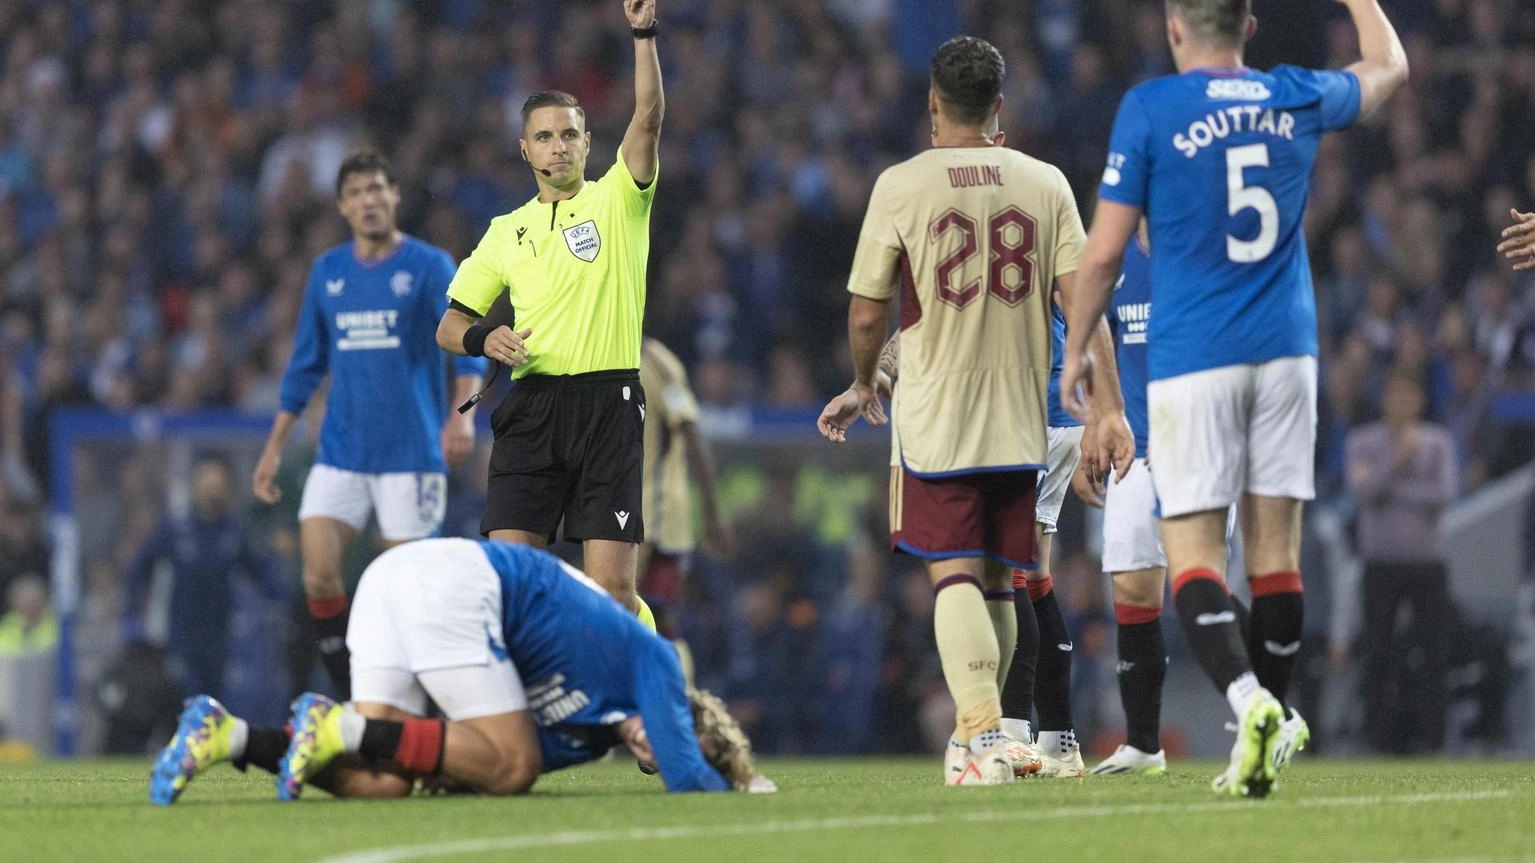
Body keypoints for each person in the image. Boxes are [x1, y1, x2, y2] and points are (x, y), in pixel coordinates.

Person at [1059, 0, 1407, 797]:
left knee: (1191, 554)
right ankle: (1270, 734)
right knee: (1274, 558)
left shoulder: (1150, 106)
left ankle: (1249, 703)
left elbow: (1105, 251)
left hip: (1193, 358)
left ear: (1175, 28)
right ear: (1247, 29)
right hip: (1287, 352)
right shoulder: (1291, 94)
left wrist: (1077, 348)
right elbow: (1389, 68)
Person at [817, 35, 1128, 786]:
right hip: (1020, 411)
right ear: (999, 107)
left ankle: (983, 736)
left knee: (952, 571)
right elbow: (1082, 303)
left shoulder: (901, 184)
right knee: (998, 577)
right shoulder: (1044, 181)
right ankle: (988, 735)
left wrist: (864, 380)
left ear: (932, 105)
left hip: (938, 410)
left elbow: (867, 312)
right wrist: (1106, 409)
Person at [149, 538, 769, 804]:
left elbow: (464, 754)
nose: (654, 744)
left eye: (660, 751)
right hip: (453, 584)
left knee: (387, 781)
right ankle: (341, 726)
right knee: (515, 765)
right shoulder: (652, 657)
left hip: (402, 593)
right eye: (674, 733)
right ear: (675, 713)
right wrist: (741, 787)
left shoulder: (582, 741)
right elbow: (689, 780)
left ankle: (226, 735)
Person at [435, 0, 664, 624]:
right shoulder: (506, 231)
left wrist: (643, 35)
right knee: (512, 585)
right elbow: (449, 326)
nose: (558, 147)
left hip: (607, 405)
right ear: (525, 149)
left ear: (588, 143)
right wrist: (487, 339)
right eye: (545, 136)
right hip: (532, 408)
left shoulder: (620, 199)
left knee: (612, 595)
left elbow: (647, 116)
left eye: (569, 134)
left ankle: (639, 692)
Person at [252, 149, 487, 700]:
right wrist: (274, 447)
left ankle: (427, 706)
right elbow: (306, 364)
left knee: (408, 593)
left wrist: (463, 417)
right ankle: (353, 691)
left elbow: (468, 348)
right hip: (340, 454)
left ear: (395, 195)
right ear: (342, 205)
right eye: (356, 192)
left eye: (377, 188)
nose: (369, 200)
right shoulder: (328, 272)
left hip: (411, 455)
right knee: (318, 575)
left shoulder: (430, 266)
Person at [1345, 373, 1458, 754]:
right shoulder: (1363, 441)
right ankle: (1376, 738)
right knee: (1377, 651)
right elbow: (1361, 493)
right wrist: (1396, 462)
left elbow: (1442, 495)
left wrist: (1389, 486)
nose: (1401, 402)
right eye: (1394, 393)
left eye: (1408, 394)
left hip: (1427, 562)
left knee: (1433, 651)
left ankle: (1433, 738)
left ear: (1420, 401)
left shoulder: (1437, 442)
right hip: (1380, 563)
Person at [123, 455, 285, 697]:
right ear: (193, 487)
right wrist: (132, 613)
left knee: (214, 705)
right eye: (206, 483)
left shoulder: (233, 532)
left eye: (217, 485)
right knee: (183, 701)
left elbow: (260, 572)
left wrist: (282, 600)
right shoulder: (176, 529)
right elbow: (139, 569)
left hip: (220, 637)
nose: (212, 490)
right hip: (181, 638)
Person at [637, 337, 731, 644]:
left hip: (657, 517)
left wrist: (712, 514)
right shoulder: (598, 357)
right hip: (614, 511)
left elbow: (690, 430)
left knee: (654, 618)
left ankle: (673, 688)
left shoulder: (657, 362)